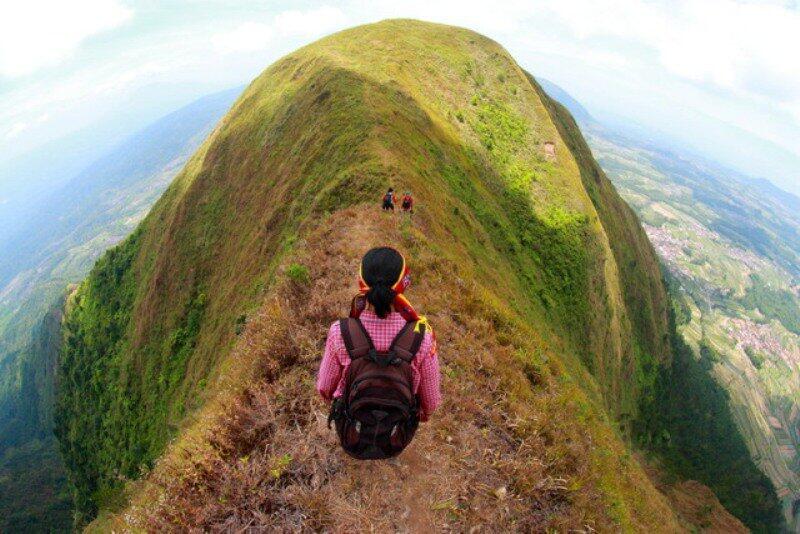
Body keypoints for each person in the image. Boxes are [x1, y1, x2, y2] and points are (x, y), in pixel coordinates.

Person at [317, 247, 441, 459]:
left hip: (351, 429)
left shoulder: (340, 332)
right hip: (396, 434)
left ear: (361, 283)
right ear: (404, 284)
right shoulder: (422, 336)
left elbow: (325, 389)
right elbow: (430, 402)